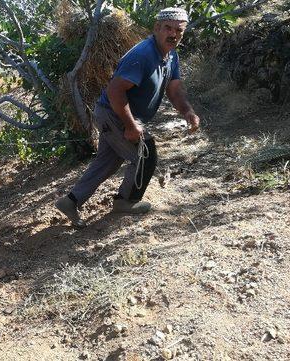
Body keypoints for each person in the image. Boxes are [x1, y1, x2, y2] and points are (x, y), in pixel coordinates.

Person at [55, 7, 200, 228]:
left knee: (106, 163)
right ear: (156, 28)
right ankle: (125, 201)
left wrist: (187, 111)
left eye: (178, 31)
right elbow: (115, 91)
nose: (173, 34)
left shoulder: (171, 56)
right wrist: (131, 126)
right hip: (113, 113)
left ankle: (70, 201)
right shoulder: (143, 55)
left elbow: (175, 89)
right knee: (145, 154)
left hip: (115, 114)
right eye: (168, 29)